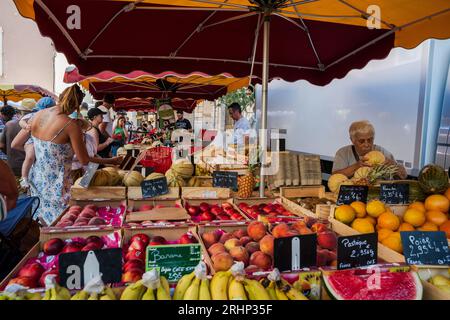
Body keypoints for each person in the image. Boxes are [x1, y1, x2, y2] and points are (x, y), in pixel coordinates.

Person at [24, 85, 91, 225]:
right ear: (76, 106)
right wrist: (112, 161)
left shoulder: (38, 115)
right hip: (58, 186)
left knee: (41, 224)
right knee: (60, 226)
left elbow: (17, 143)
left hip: (38, 180)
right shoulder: (71, 125)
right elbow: (84, 160)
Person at [332, 120, 407, 179]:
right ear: (352, 140)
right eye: (361, 141)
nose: (366, 144)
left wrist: (394, 165)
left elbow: (404, 175)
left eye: (370, 140)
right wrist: (357, 166)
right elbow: (334, 177)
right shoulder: (343, 153)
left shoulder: (381, 152)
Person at [13, 97, 56, 188]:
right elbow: (22, 121)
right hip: (32, 141)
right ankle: (24, 177)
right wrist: (26, 126)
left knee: (30, 157)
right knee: (30, 157)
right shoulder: (33, 116)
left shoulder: (54, 119)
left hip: (45, 173)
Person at [69, 112, 123, 181]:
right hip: (75, 173)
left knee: (90, 189)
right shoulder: (67, 140)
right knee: (78, 190)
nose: (75, 126)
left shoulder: (88, 138)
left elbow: (94, 154)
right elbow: (85, 159)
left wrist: (106, 165)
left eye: (78, 123)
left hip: (91, 171)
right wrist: (110, 161)